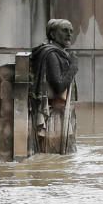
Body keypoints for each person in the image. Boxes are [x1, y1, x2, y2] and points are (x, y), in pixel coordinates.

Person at [29, 19, 79, 154]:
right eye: (64, 30)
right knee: (56, 158)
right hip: (54, 117)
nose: (69, 34)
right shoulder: (51, 54)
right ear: (52, 34)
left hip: (60, 113)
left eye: (71, 31)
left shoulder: (59, 53)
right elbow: (59, 85)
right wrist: (73, 66)